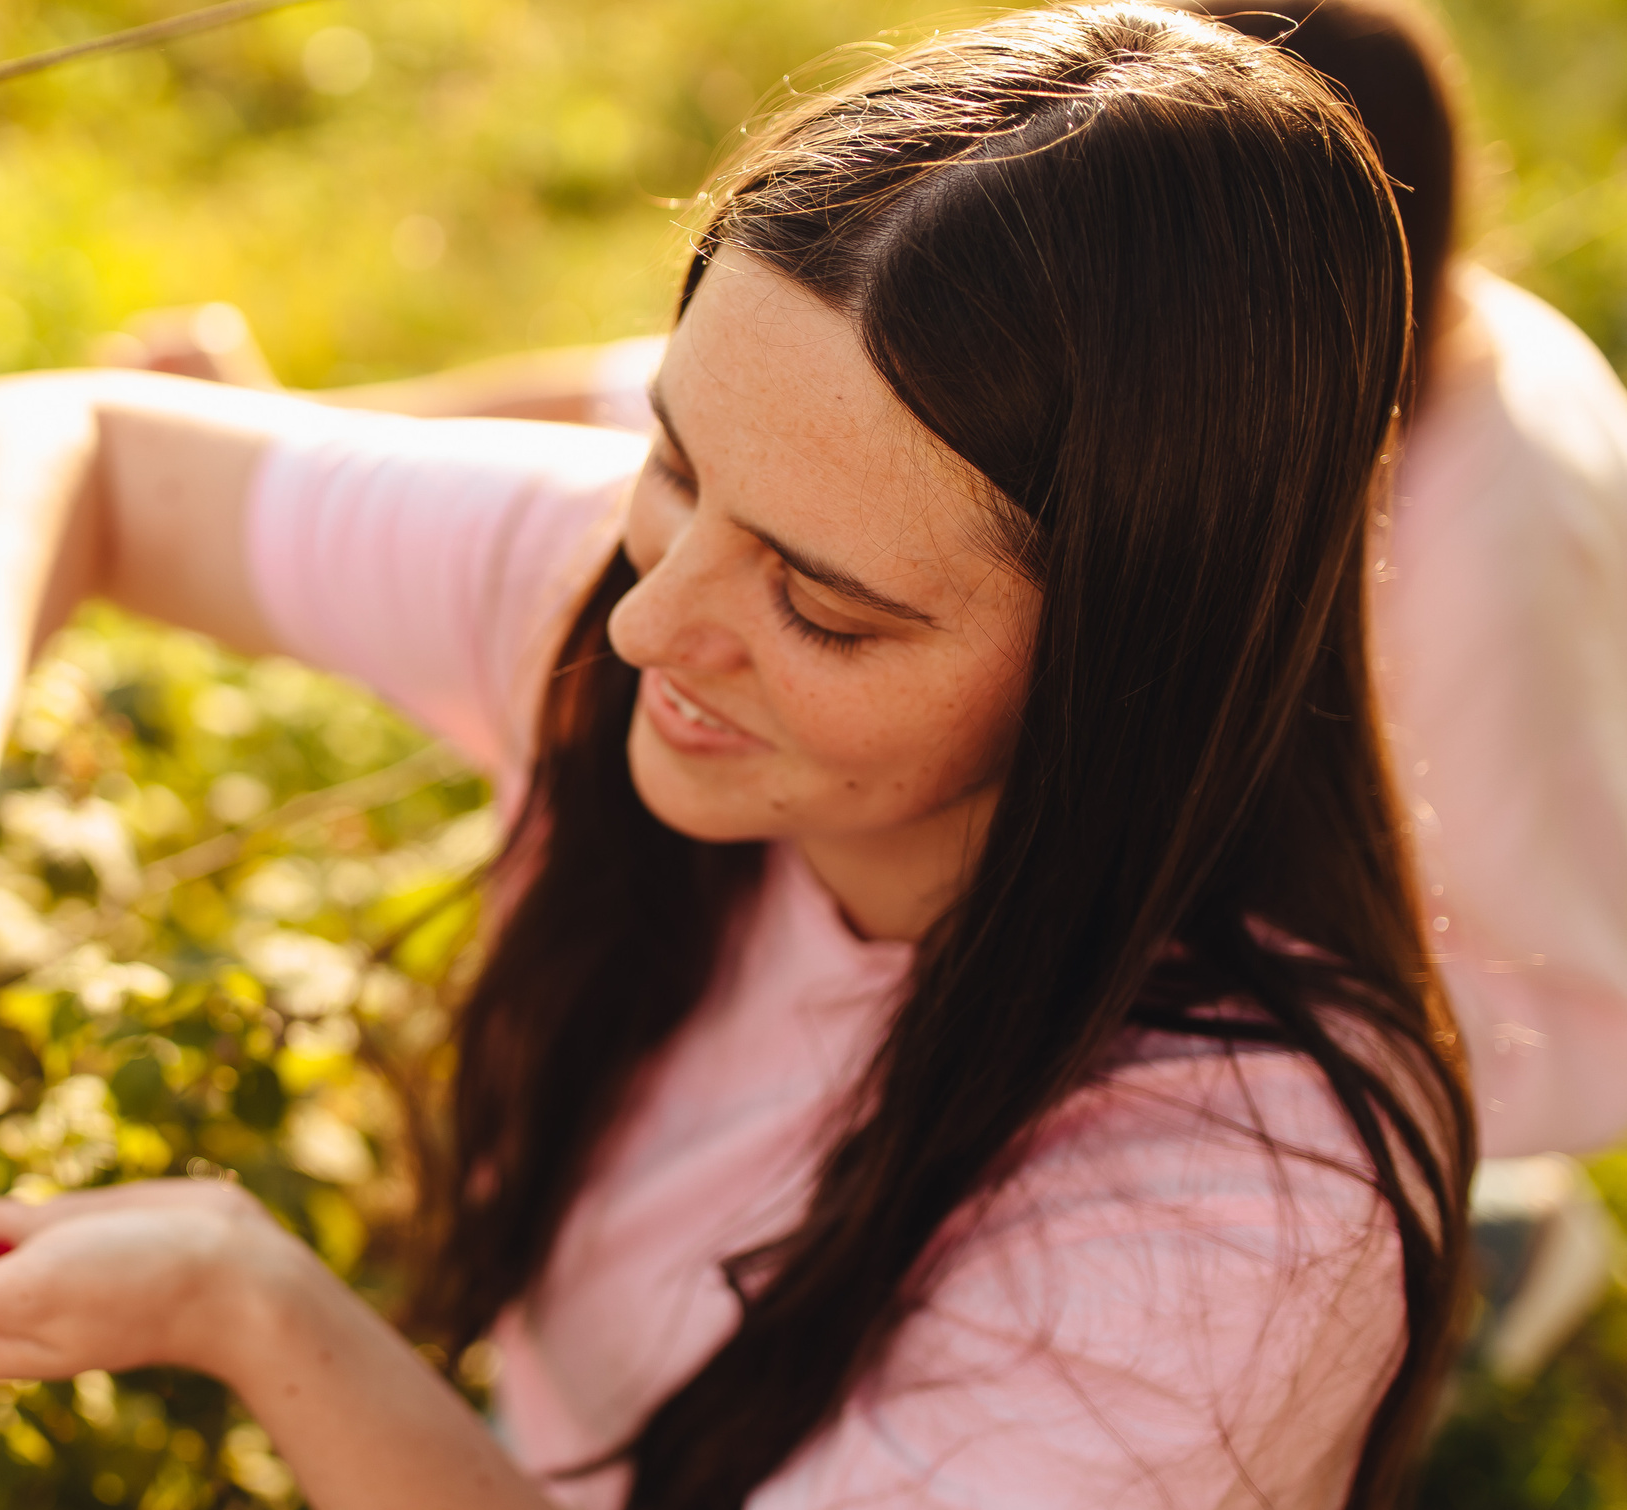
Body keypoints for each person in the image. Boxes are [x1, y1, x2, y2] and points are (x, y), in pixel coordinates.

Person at [0, 8, 1473, 1510]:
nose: (651, 626)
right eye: (673, 461)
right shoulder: (628, 592)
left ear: (1127, 667)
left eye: (826, 608)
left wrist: (244, 1305)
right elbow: (65, 444)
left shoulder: (1235, 1213)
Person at [160, 0, 1627, 1168]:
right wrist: (312, 420)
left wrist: (1374, 1127)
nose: (636, 625)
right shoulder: (1056, 393)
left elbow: (1565, 947)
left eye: (833, 610)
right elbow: (721, 416)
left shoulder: (1489, 555)